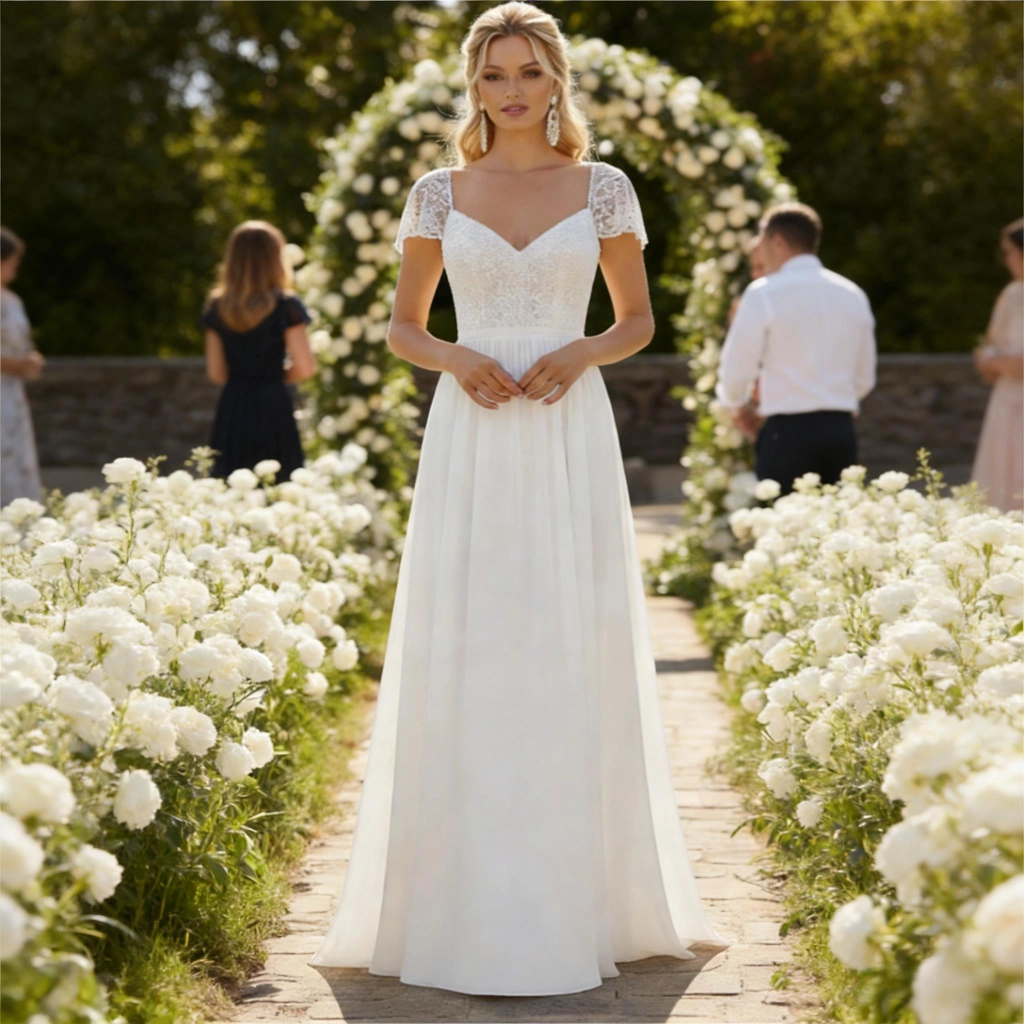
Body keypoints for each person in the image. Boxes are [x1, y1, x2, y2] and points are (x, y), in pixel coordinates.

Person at [309, 0, 729, 996]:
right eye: (494, 74)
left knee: (566, 633)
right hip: (473, 430)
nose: (511, 90)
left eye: (529, 72)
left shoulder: (603, 188)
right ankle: (459, 897)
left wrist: (581, 352)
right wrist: (456, 359)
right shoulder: (437, 194)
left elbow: (637, 319)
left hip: (566, 423)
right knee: (473, 636)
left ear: (555, 81)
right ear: (474, 84)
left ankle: (588, 898)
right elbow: (404, 327)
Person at [715, 202, 877, 494]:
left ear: (777, 241)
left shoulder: (764, 293)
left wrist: (737, 406)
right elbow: (864, 378)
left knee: (784, 520)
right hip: (841, 432)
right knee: (839, 518)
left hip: (787, 435)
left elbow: (737, 368)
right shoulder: (853, 294)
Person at [200, 220, 316, 483]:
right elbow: (305, 367)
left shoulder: (218, 306)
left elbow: (217, 373)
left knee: (232, 484)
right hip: (273, 404)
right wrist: (273, 376)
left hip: (233, 407)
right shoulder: (286, 305)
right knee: (279, 485)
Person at [970, 218, 1024, 512]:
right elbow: (993, 342)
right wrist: (988, 362)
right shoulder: (1011, 294)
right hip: (1006, 400)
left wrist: (1002, 363)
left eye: (1009, 252)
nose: (1007, 260)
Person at [0, 226, 44, 505]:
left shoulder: (13, 301)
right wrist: (15, 364)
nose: (15, 269)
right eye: (12, 262)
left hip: (11, 396)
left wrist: (31, 360)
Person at [726, 233, 767, 443]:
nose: (755, 273)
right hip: (752, 405)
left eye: (761, 266)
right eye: (753, 267)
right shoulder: (745, 304)